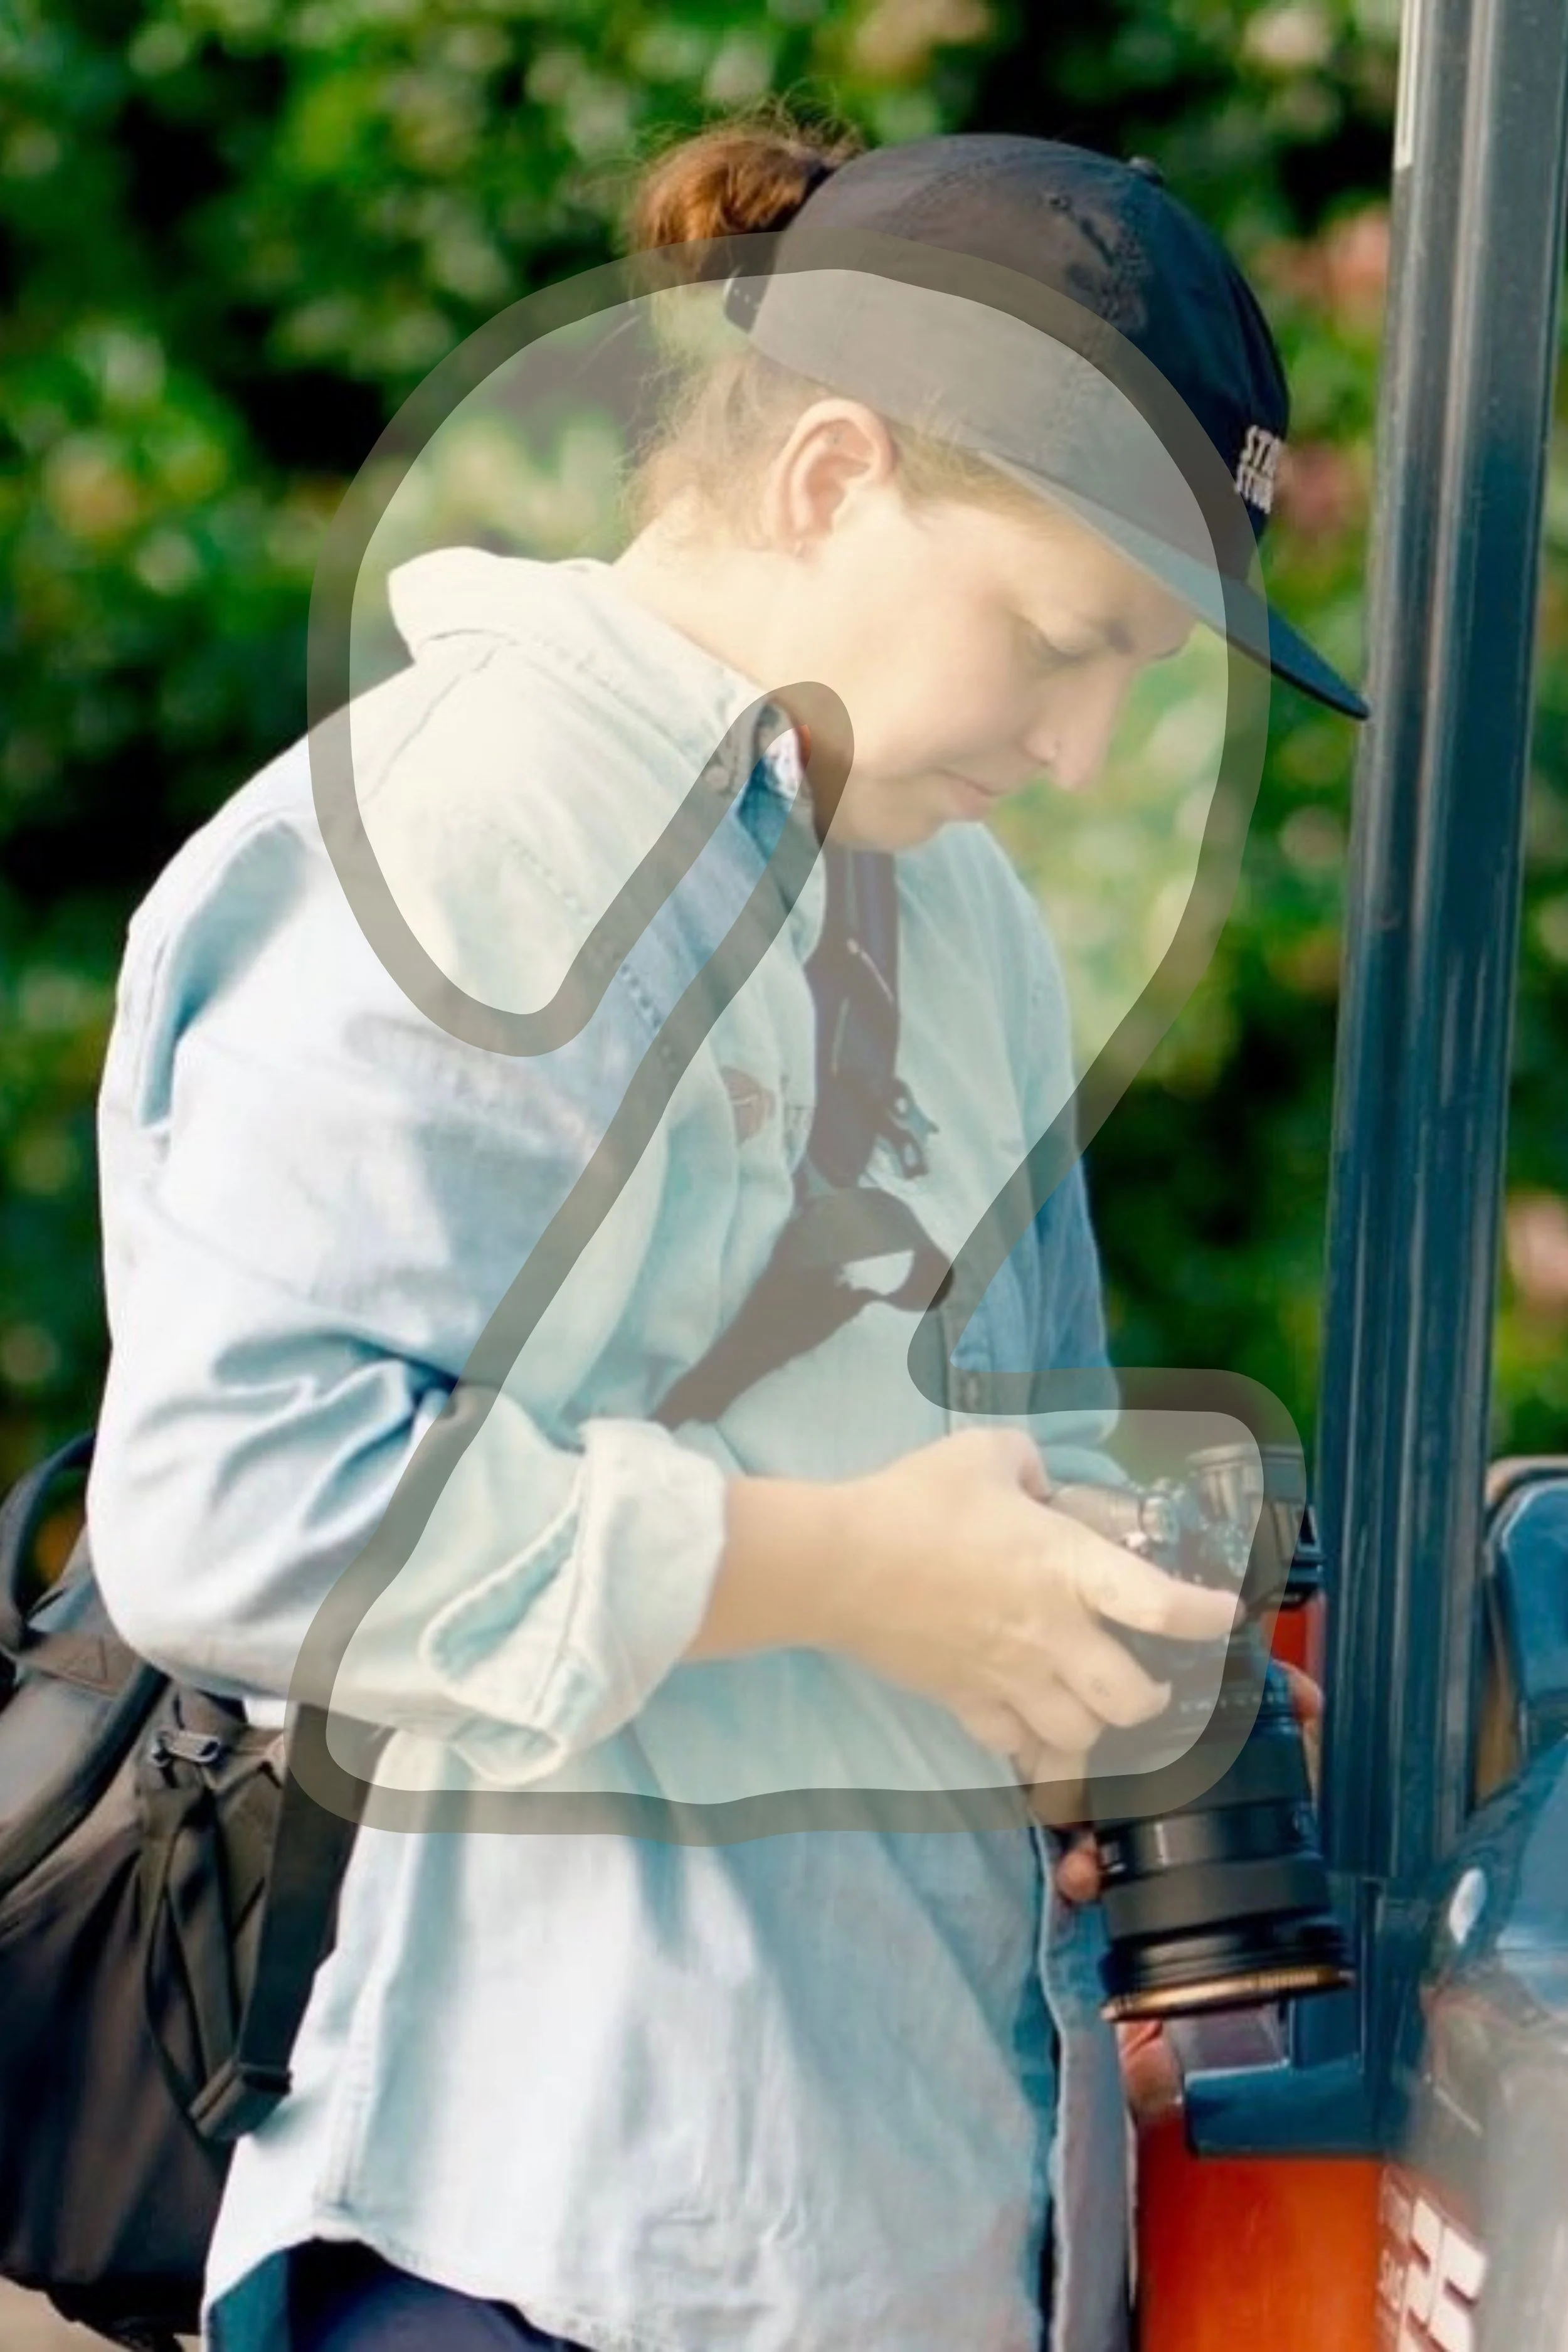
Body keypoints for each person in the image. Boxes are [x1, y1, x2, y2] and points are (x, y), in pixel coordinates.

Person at [86, 112, 1361, 2352]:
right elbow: (230, 1501)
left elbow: (998, 1483)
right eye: (1059, 640)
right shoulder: (470, 819)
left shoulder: (957, 910)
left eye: (1134, 679)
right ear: (832, 475)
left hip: (912, 2236)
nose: (1081, 749)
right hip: (535, 2244)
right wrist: (849, 1569)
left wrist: (1067, 1662)